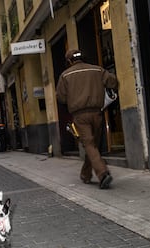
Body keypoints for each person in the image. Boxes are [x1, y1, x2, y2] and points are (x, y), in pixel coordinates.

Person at [56, 49, 118, 189]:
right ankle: (85, 174)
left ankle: (102, 174)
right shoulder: (97, 70)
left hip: (80, 115)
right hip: (97, 112)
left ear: (69, 61)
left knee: (89, 145)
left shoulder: (65, 75)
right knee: (93, 145)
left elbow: (61, 97)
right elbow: (113, 81)